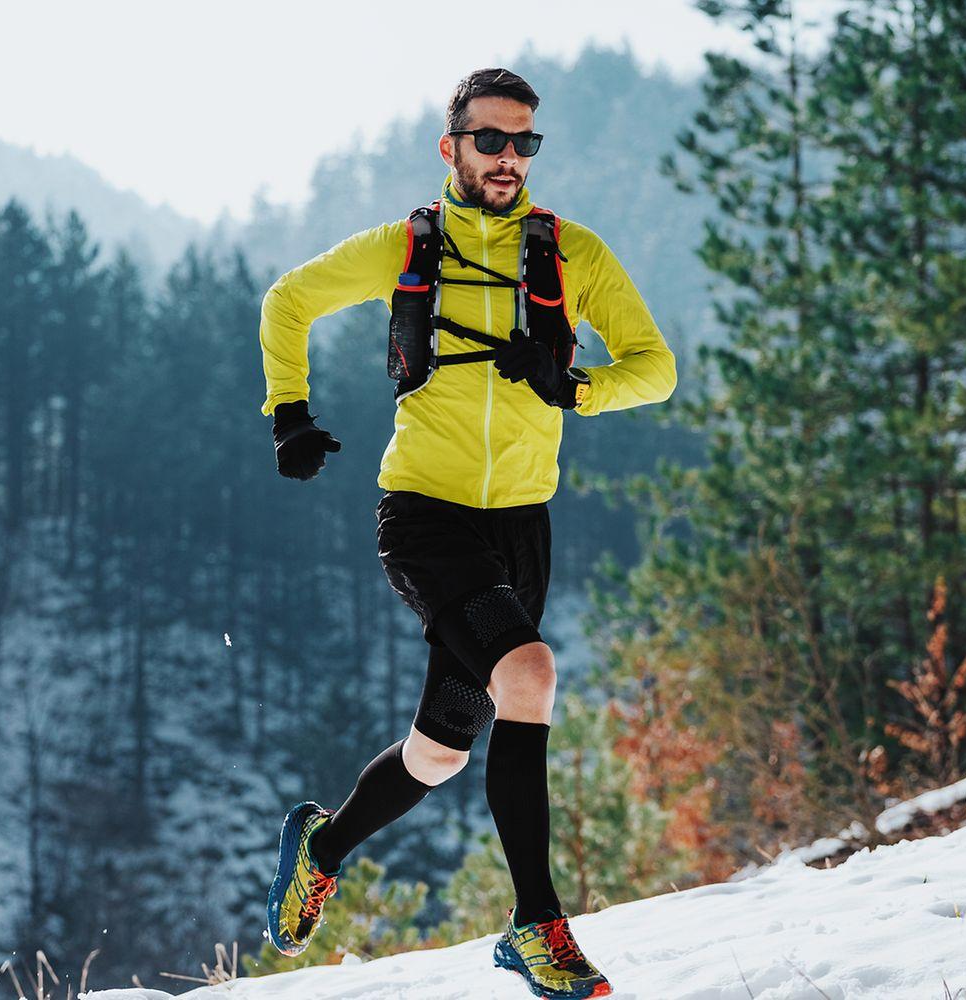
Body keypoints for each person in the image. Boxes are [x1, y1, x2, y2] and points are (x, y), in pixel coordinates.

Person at [257, 67, 675, 1000]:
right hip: (424, 514)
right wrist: (289, 412)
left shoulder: (572, 254)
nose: (510, 159)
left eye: (526, 142)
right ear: (450, 147)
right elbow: (287, 299)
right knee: (530, 673)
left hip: (522, 524)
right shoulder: (407, 244)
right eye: (492, 140)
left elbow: (658, 369)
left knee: (442, 750)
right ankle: (537, 926)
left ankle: (320, 847)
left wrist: (575, 385)